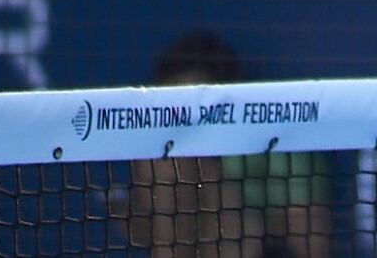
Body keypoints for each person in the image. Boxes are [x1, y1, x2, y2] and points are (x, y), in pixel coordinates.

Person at [125, 31, 330, 258]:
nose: (188, 116)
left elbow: (310, 240)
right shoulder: (157, 158)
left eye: (197, 103)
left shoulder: (276, 137)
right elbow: (141, 233)